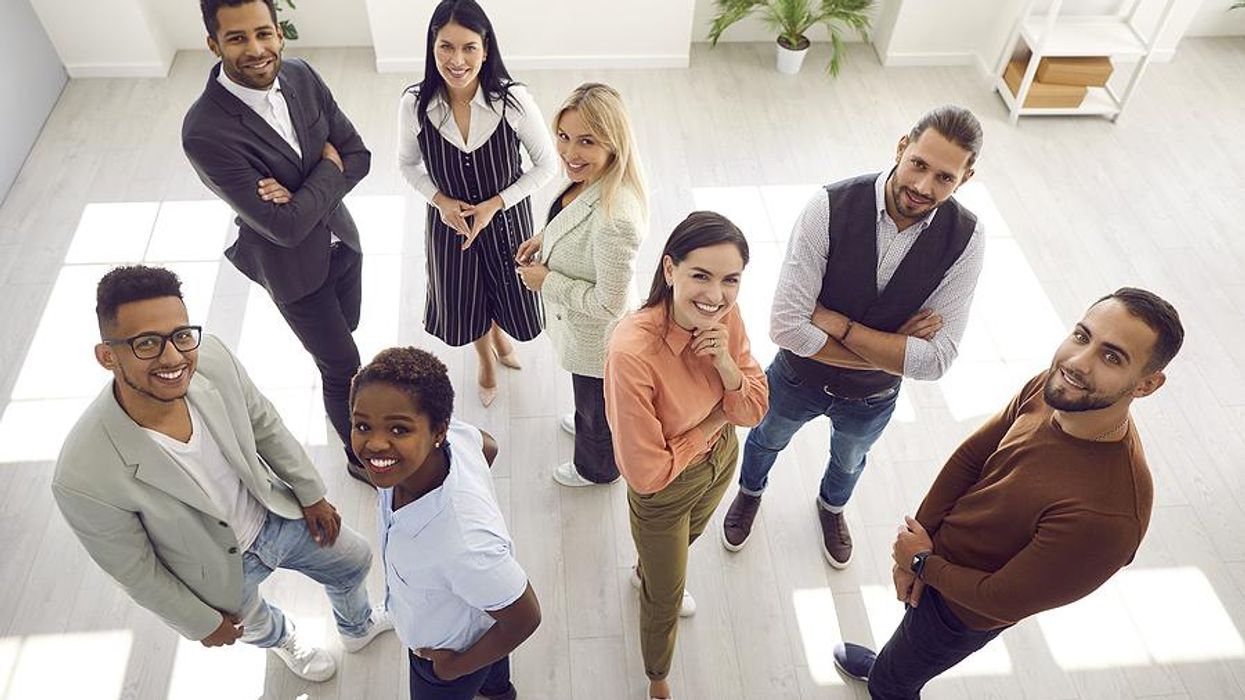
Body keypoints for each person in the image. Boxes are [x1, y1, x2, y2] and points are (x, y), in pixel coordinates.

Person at [833, 288, 1184, 699]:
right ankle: (890, 666)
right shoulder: (1056, 388)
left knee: (894, 683)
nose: (1077, 362)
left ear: (1146, 385)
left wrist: (921, 562)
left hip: (961, 611)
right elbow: (972, 456)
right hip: (936, 556)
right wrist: (919, 547)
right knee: (903, 652)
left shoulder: (1109, 518)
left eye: (1112, 357)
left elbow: (999, 601)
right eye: (1082, 336)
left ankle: (888, 681)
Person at [52, 265, 392, 683]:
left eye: (180, 335)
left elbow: (264, 424)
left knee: (354, 559)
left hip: (274, 514)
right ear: (108, 356)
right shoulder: (81, 474)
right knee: (257, 625)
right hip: (212, 568)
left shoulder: (212, 358)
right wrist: (199, 622)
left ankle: (357, 628)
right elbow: (135, 571)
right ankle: (285, 641)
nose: (174, 357)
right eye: (146, 344)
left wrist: (310, 493)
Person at [721, 105, 986, 567]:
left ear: (965, 177)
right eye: (918, 164)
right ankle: (750, 491)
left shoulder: (968, 238)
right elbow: (785, 325)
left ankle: (831, 508)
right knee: (764, 439)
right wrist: (894, 346)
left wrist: (839, 325)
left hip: (872, 398)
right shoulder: (827, 206)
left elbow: (936, 361)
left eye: (944, 177)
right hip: (796, 377)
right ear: (902, 146)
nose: (923, 187)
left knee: (848, 463)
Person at [182, 0, 373, 484]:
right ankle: (359, 459)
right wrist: (327, 169)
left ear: (279, 32)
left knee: (348, 325)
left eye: (263, 33)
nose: (256, 49)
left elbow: (359, 153)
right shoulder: (205, 131)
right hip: (294, 272)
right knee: (343, 366)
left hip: (341, 243)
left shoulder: (302, 75)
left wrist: (301, 195)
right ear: (213, 44)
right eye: (238, 38)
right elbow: (284, 228)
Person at [604, 212, 769, 700]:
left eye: (730, 280)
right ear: (669, 269)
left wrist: (723, 362)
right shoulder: (632, 353)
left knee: (690, 537)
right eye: (701, 275)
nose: (716, 295)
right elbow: (646, 472)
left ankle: (646, 569)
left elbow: (755, 407)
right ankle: (657, 677)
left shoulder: (724, 316)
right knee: (666, 597)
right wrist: (718, 419)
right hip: (667, 490)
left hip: (720, 463)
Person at [350, 347, 541, 700]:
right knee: (493, 661)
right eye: (363, 426)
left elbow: (524, 618)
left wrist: (451, 669)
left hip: (445, 654)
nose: (375, 443)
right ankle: (499, 692)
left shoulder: (463, 544)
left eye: (398, 429)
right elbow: (488, 446)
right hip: (478, 616)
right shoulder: (448, 442)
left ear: (438, 431)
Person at [398, 0, 557, 407]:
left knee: (509, 295)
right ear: (432, 48)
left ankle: (502, 337)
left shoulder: (513, 101)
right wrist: (440, 200)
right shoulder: (415, 105)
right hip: (450, 226)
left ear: (486, 49)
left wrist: (494, 204)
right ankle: (485, 358)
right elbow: (406, 165)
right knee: (465, 301)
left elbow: (546, 166)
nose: (457, 60)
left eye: (469, 47)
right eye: (446, 47)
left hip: (506, 221)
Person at [515, 82, 648, 487]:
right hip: (579, 331)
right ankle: (586, 422)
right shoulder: (588, 179)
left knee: (597, 409)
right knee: (588, 402)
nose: (570, 153)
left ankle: (597, 468)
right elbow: (574, 223)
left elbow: (611, 304)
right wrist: (545, 238)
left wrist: (547, 280)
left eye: (586, 141)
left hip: (598, 341)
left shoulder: (617, 218)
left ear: (613, 143)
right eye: (564, 136)